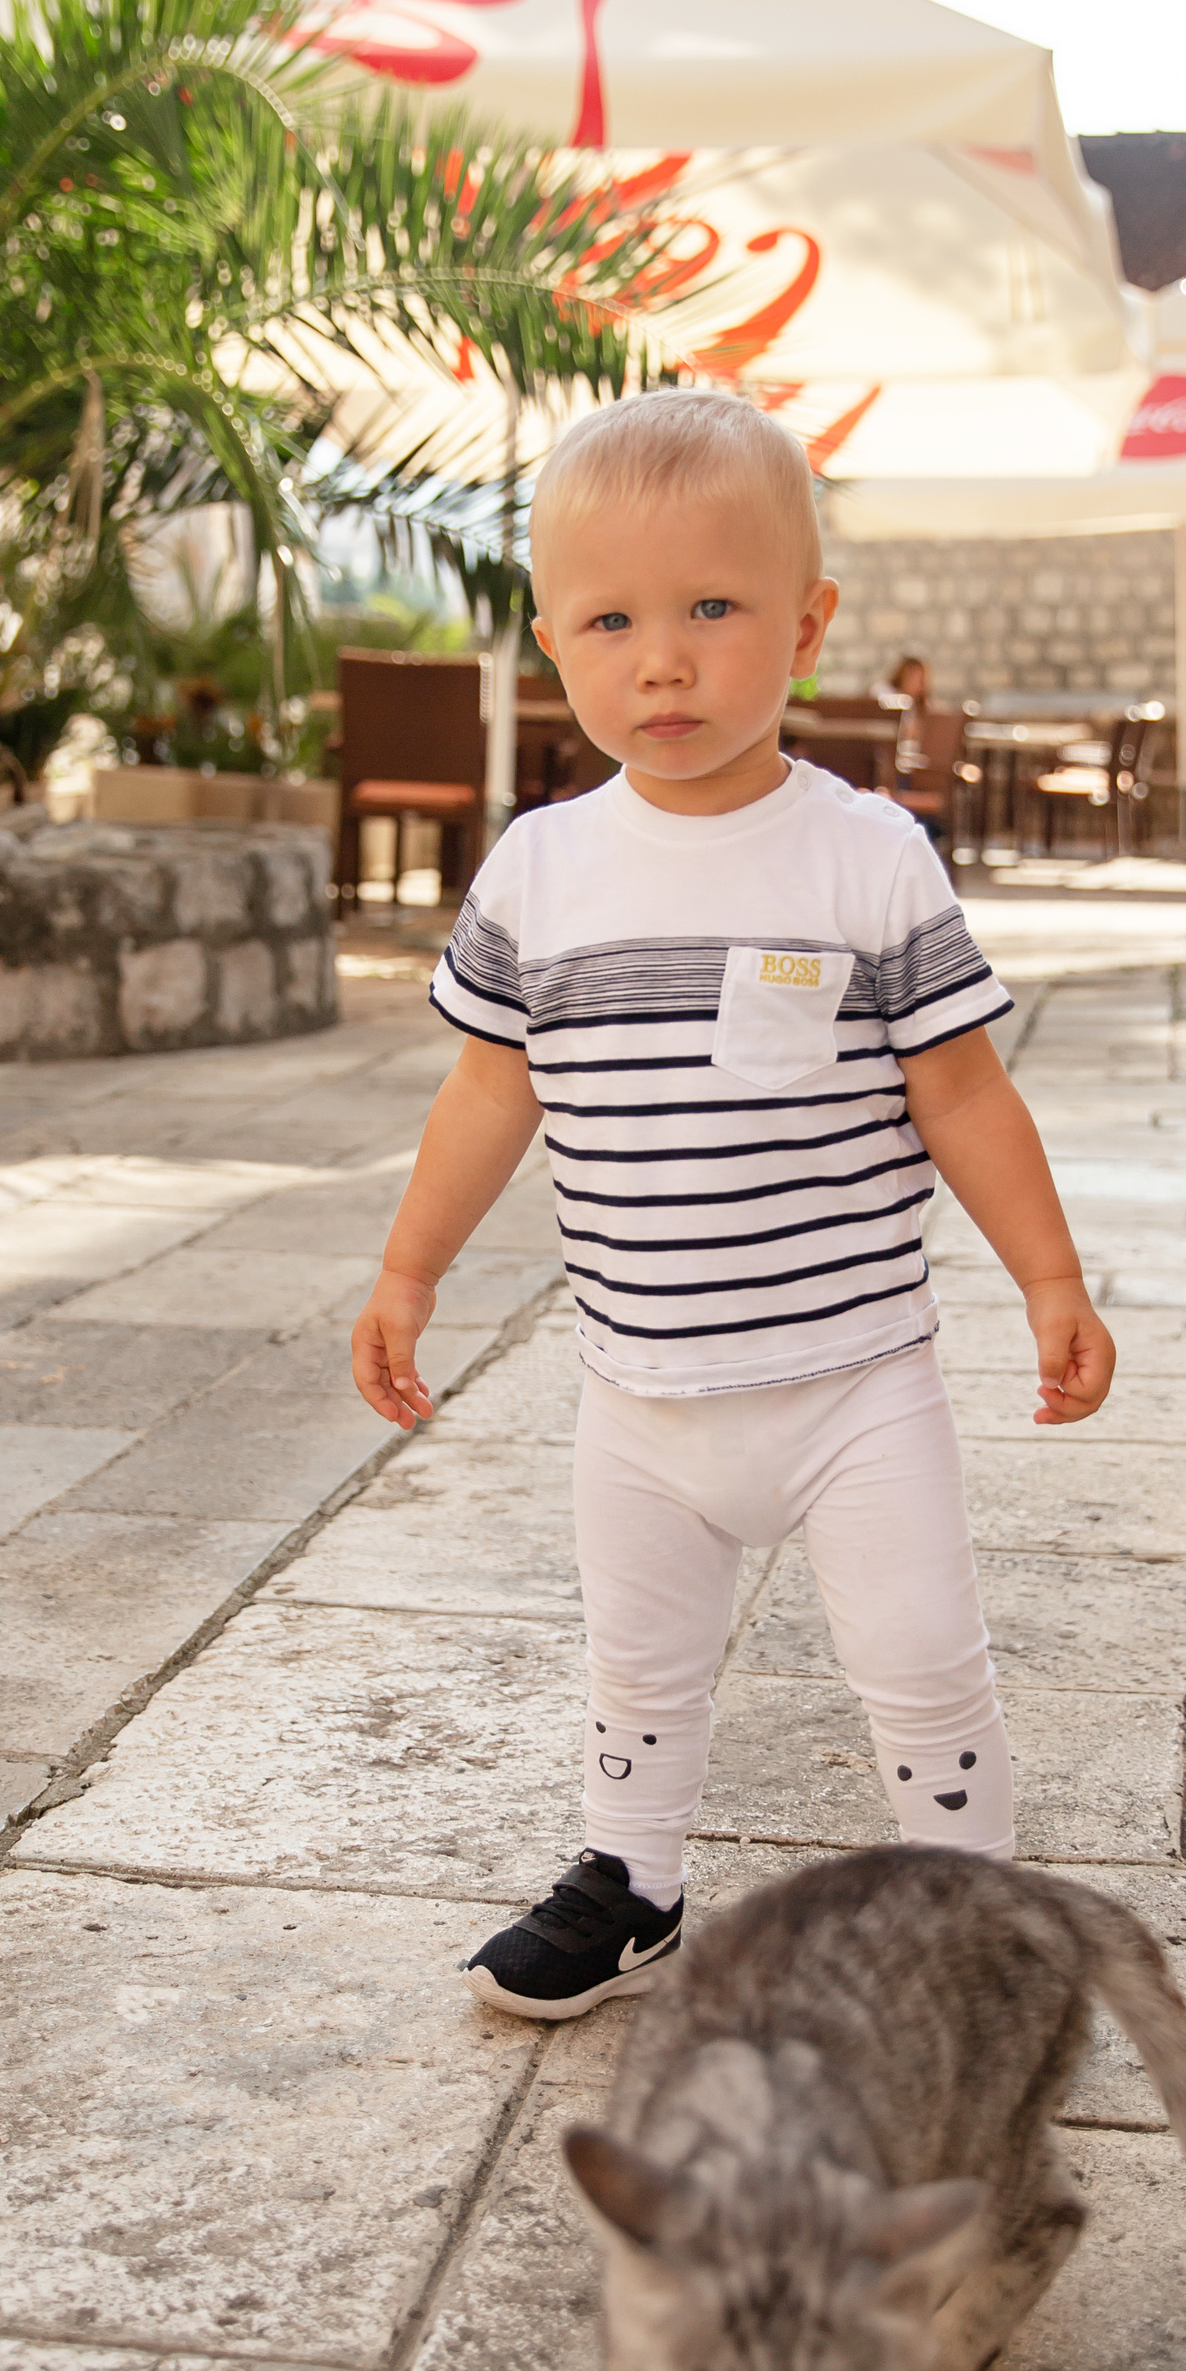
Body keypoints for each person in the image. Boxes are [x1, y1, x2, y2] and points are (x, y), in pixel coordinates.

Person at [347, 391, 1116, 2021]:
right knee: (641, 1663)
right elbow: (493, 1088)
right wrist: (410, 1270)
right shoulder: (540, 873)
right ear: (554, 641)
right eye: (613, 620)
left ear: (808, 625)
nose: (666, 660)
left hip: (855, 1375)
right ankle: (632, 1884)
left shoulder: (867, 857)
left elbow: (961, 1085)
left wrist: (1048, 1273)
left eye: (714, 609)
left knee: (917, 1657)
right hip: (639, 1387)